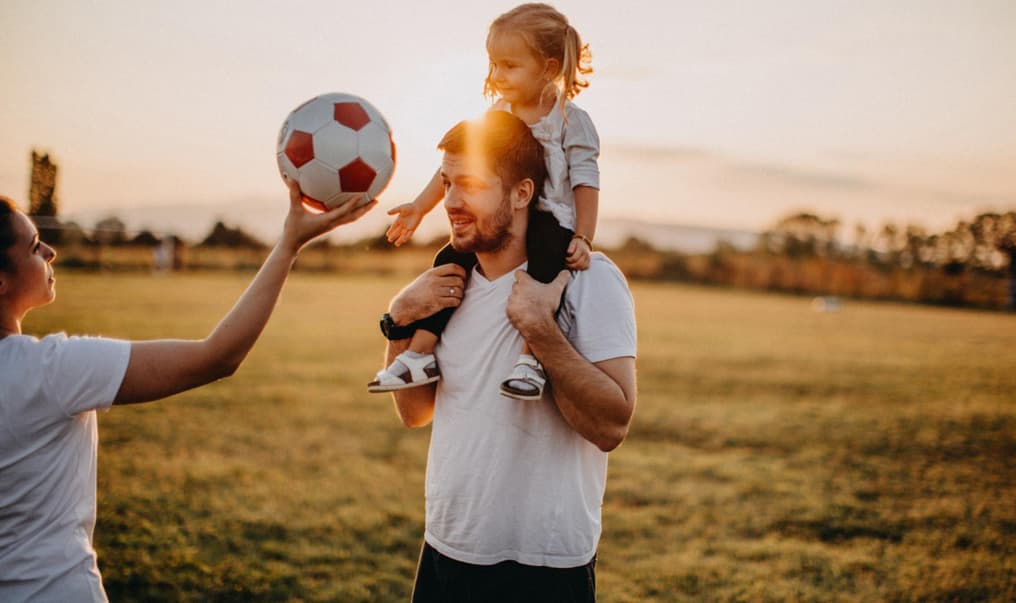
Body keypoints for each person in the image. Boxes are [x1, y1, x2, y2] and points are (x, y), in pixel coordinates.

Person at [0, 182, 373, 602]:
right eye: (34, 247)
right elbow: (218, 356)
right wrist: (289, 243)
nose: (49, 252)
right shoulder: (52, 370)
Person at [378, 110, 636, 602]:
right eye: (447, 183)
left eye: (470, 184)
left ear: (521, 193)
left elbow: (612, 426)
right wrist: (399, 317)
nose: (451, 202)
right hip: (445, 548)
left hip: (543, 566)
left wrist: (539, 327)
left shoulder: (588, 279)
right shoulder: (446, 285)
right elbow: (415, 412)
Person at [369, 3, 601, 401]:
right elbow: (459, 167)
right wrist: (421, 207)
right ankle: (420, 354)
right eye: (493, 64)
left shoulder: (570, 120)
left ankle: (530, 362)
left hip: (549, 222)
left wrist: (583, 237)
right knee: (446, 265)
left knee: (544, 274)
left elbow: (586, 183)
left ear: (548, 68)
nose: (497, 76)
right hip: (503, 220)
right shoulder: (497, 114)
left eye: (510, 65)